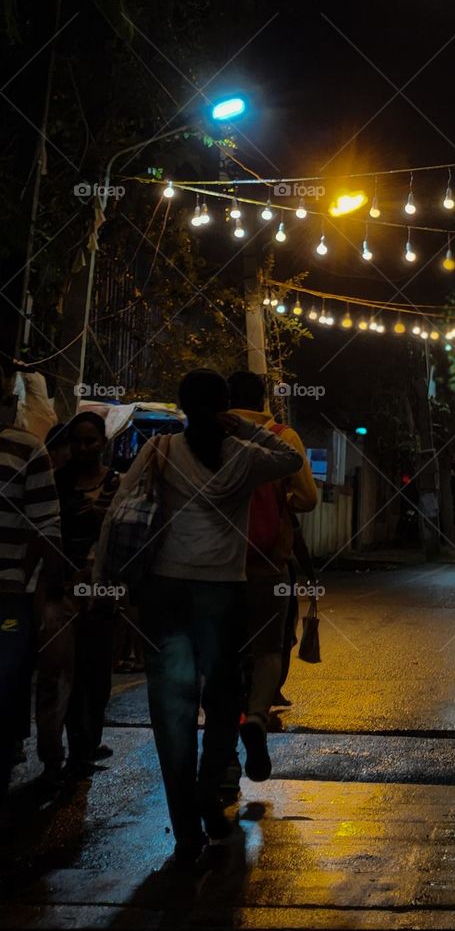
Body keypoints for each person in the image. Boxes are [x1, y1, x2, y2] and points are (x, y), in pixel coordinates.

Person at [97, 369, 303, 866]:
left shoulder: (161, 450)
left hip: (165, 591)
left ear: (183, 404)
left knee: (173, 710)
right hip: (222, 591)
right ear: (224, 405)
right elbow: (291, 459)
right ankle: (210, 792)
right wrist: (244, 427)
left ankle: (186, 826)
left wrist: (108, 580)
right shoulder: (243, 455)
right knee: (223, 695)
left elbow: (120, 508)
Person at [227, 371, 318, 746]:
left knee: (223, 652)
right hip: (269, 564)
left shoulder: (211, 435)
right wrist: (281, 503)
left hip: (216, 567)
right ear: (262, 400)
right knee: (268, 649)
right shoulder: (283, 437)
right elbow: (309, 499)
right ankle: (258, 715)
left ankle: (225, 751)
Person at [37, 413, 120, 787]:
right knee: (59, 675)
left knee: (95, 675)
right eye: (78, 441)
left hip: (102, 595)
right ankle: (55, 757)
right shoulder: (55, 485)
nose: (84, 448)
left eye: (91, 441)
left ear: (103, 442)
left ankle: (84, 750)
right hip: (63, 591)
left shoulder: (117, 486)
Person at [0, 356, 62, 798]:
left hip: (9, 595)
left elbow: (46, 529)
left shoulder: (26, 448)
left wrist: (29, 587)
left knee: (7, 677)